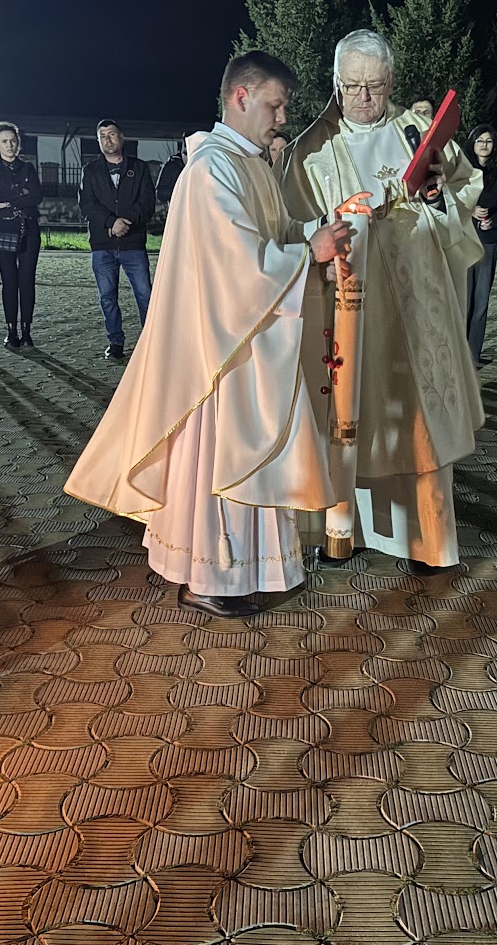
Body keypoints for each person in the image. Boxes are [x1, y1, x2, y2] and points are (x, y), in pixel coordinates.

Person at [63, 51, 360, 618]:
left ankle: (255, 568)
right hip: (217, 354)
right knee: (220, 459)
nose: (281, 117)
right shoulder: (210, 169)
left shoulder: (247, 163)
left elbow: (267, 233)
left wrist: (311, 232)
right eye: (274, 104)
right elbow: (236, 263)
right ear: (241, 96)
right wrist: (308, 254)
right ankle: (209, 577)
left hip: (242, 339)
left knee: (247, 454)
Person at [277, 29, 484, 570]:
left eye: (374, 85)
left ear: (391, 82)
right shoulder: (310, 150)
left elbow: (463, 196)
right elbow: (288, 227)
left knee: (417, 420)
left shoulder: (417, 133)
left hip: (417, 307)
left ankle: (427, 542)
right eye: (352, 86)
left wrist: (437, 193)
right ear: (336, 84)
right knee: (347, 417)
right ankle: (340, 533)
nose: (364, 98)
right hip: (347, 309)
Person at [80, 120, 154, 363]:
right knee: (107, 297)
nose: (107, 139)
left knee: (145, 294)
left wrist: (125, 222)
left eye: (111, 134)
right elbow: (87, 205)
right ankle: (115, 342)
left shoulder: (139, 168)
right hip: (102, 245)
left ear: (121, 138)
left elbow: (146, 204)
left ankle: (150, 341)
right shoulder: (90, 171)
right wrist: (111, 222)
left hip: (133, 243)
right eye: (102, 136)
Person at [0, 122, 43, 350]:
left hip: (29, 229)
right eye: (4, 141)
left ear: (18, 143)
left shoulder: (27, 168)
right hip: (4, 230)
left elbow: (36, 196)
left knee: (27, 282)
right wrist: (21, 194)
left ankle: (27, 332)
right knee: (9, 282)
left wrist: (8, 201)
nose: (9, 145)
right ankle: (11, 331)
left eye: (13, 141)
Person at [465, 124, 497, 365]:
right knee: (464, 297)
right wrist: (470, 210)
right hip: (464, 238)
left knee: (481, 299)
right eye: (480, 140)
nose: (484, 145)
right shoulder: (462, 173)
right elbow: (451, 202)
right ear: (472, 143)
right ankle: (458, 352)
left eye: (489, 141)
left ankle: (473, 353)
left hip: (488, 241)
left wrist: (495, 221)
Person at [157, 139, 188, 208]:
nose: (188, 158)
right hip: (177, 208)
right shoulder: (171, 167)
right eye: (185, 153)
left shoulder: (202, 166)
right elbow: (161, 194)